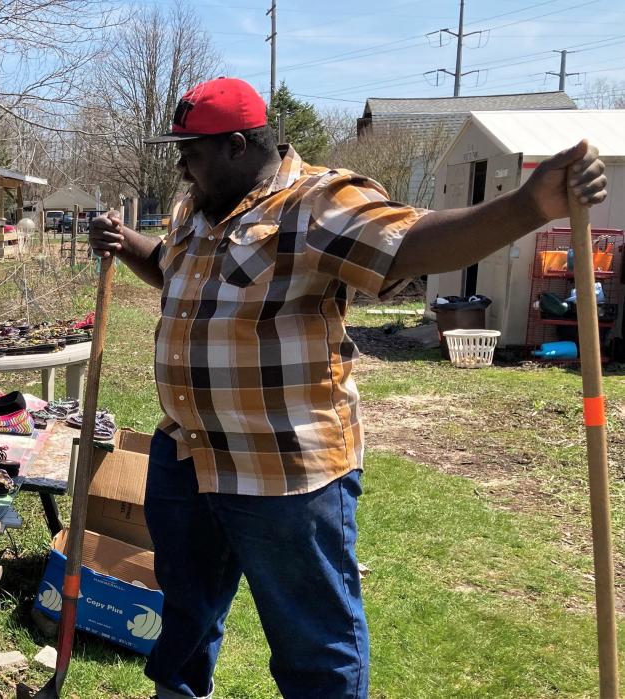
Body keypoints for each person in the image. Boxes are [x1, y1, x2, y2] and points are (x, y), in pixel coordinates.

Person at [88, 77, 607, 699]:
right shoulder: (196, 207)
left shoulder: (317, 203)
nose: (181, 163)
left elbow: (412, 241)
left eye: (191, 150)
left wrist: (528, 206)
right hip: (188, 455)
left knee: (313, 640)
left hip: (283, 469)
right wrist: (129, 247)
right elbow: (177, 279)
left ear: (236, 145)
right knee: (186, 618)